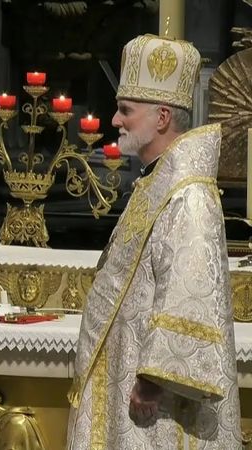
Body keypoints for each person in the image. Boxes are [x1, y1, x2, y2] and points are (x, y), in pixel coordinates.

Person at [67, 34, 242, 448]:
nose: (115, 120)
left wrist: (152, 382)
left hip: (155, 406)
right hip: (126, 377)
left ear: (162, 117)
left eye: (126, 110)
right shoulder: (158, 183)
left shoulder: (189, 195)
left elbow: (191, 293)